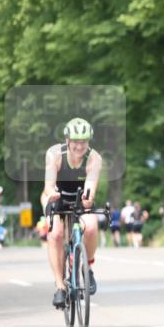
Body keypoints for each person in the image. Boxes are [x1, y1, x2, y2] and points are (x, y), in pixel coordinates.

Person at [41, 118, 103, 308]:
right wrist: (53, 195)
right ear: (67, 140)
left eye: (84, 141)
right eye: (75, 141)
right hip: (55, 196)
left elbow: (90, 188)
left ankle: (87, 268)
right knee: (56, 234)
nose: (79, 146)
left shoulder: (94, 158)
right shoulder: (54, 154)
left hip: (79, 198)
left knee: (91, 227)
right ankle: (60, 286)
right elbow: (48, 186)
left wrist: (88, 199)